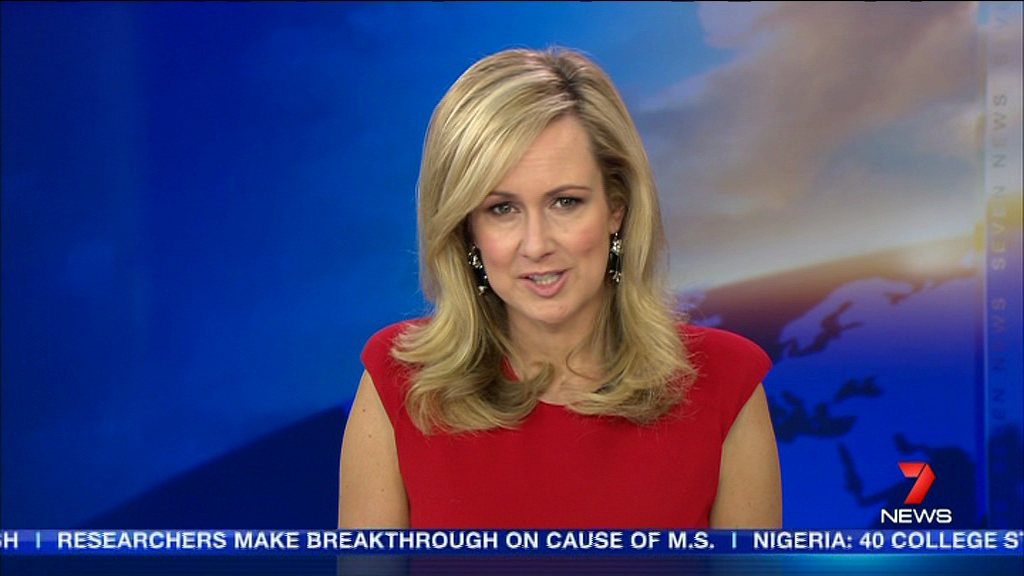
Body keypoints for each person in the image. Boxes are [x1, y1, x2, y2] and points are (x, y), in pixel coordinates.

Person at [338, 46, 781, 528]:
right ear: (467, 230)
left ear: (616, 208)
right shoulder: (399, 383)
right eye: (502, 209)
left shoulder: (726, 384)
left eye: (565, 202)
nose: (537, 244)